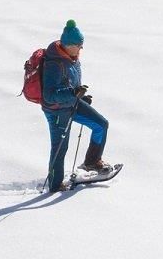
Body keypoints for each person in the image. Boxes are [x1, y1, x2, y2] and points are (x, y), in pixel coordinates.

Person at [39, 19, 111, 192]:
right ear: (69, 45)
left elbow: (70, 83)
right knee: (60, 148)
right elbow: (49, 95)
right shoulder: (54, 64)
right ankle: (55, 186)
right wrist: (72, 94)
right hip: (56, 111)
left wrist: (79, 97)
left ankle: (92, 161)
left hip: (72, 104)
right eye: (79, 45)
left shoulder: (72, 58)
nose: (81, 48)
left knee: (101, 124)